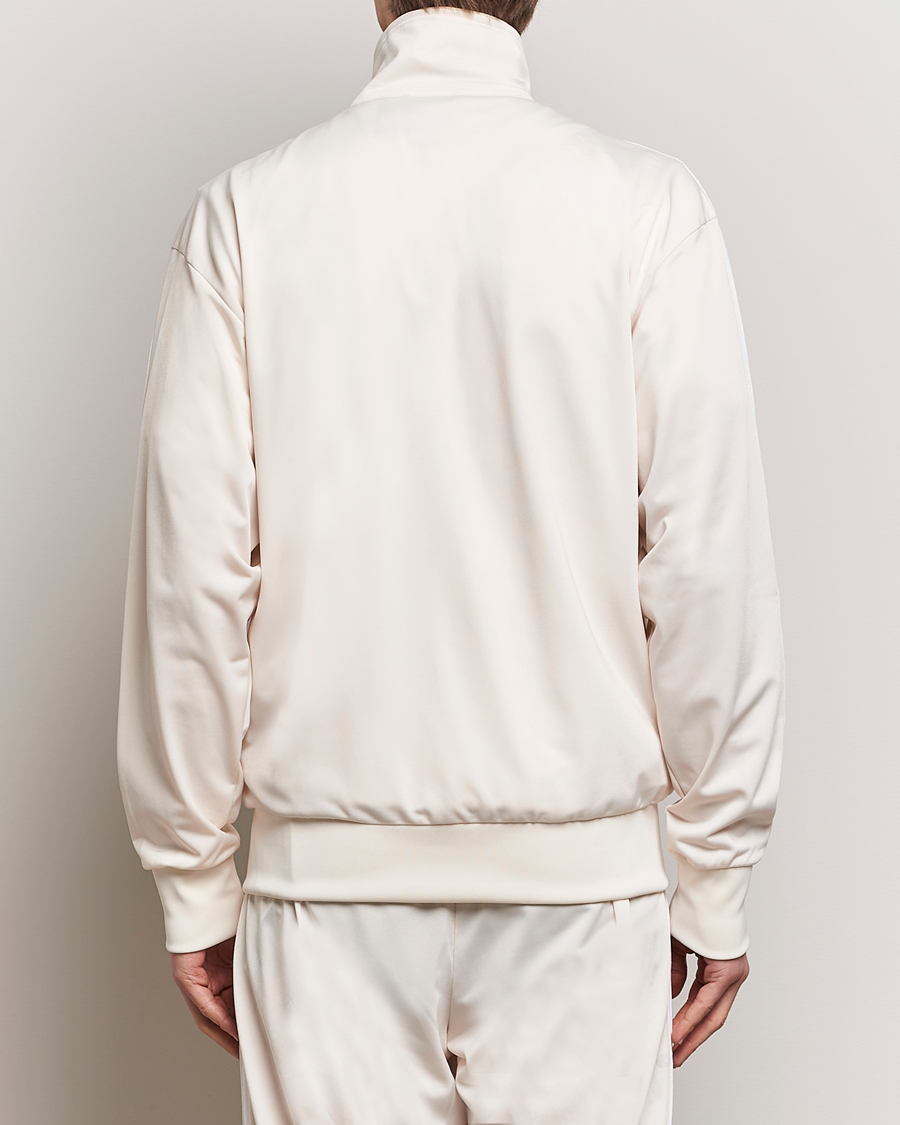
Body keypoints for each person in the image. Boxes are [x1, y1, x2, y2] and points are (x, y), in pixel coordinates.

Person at [116, 1, 785, 1121]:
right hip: (582, 899)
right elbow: (706, 565)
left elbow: (193, 577)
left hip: (323, 900)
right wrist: (714, 875)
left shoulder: (248, 214)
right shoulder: (647, 209)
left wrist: (193, 878)